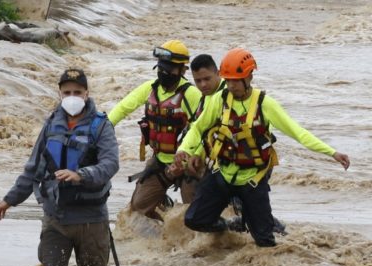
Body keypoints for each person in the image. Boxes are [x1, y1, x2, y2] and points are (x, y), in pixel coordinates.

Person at [175, 48, 350, 247]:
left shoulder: (265, 104)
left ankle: (262, 227)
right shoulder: (219, 100)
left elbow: (298, 132)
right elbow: (198, 128)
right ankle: (231, 228)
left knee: (265, 243)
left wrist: (332, 153)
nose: (231, 85)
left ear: (249, 76)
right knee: (194, 220)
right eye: (228, 80)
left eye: (236, 80)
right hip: (222, 175)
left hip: (252, 181)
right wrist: (185, 150)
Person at [0, 69, 119, 266]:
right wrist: (9, 200)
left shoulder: (101, 126)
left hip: (91, 220)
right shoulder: (51, 125)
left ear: (87, 94)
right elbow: (33, 169)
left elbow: (110, 164)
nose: (72, 96)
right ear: (60, 94)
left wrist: (81, 174)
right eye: (67, 92)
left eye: (77, 92)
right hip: (56, 218)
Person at [189, 52, 287, 235]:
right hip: (221, 162)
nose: (202, 85)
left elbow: (274, 135)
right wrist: (189, 153)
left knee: (247, 210)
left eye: (206, 79)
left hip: (251, 164)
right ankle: (229, 232)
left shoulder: (251, 102)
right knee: (196, 211)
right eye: (198, 81)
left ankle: (273, 232)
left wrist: (331, 153)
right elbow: (201, 131)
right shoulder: (210, 99)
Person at [108, 40, 204, 220]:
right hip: (160, 161)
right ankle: (163, 213)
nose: (164, 72)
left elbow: (204, 130)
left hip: (189, 162)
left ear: (182, 70)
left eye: (170, 69)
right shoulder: (150, 88)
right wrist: (103, 128)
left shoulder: (191, 94)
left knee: (195, 213)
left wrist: (187, 160)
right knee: (137, 210)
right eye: (161, 67)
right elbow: (122, 108)